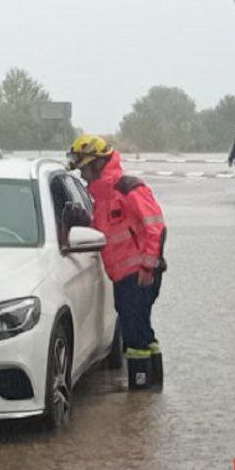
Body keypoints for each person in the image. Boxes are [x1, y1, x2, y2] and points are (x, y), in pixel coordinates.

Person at [67, 134, 167, 390]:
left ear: (97, 164)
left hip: (141, 273)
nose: (83, 175)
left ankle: (139, 392)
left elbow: (155, 225)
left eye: (84, 168)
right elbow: (105, 231)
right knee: (142, 329)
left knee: (134, 334)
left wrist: (148, 265)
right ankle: (153, 390)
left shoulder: (128, 187)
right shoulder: (101, 196)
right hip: (123, 275)